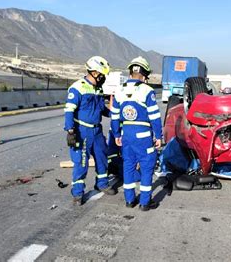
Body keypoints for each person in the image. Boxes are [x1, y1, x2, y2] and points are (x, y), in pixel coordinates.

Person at [111, 56, 162, 211]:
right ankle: (145, 202)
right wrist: (158, 136)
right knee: (147, 167)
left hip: (126, 135)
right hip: (143, 136)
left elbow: (114, 117)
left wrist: (116, 135)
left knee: (128, 166)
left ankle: (129, 200)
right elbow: (154, 117)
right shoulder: (147, 90)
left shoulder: (119, 90)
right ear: (145, 74)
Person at [64, 56, 116, 205]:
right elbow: (69, 110)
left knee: (102, 158)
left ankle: (102, 183)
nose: (103, 78)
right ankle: (78, 193)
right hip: (82, 131)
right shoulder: (77, 87)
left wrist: (115, 114)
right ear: (94, 72)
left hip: (97, 132)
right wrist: (70, 131)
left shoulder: (98, 89)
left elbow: (102, 109)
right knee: (81, 163)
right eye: (102, 75)